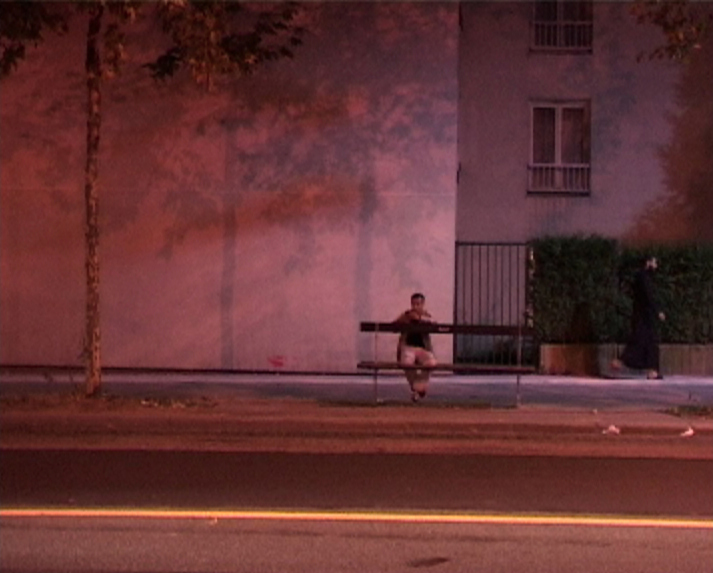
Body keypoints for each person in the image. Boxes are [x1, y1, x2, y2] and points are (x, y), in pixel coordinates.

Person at [612, 256, 666, 379]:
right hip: (644, 317)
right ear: (648, 263)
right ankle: (649, 369)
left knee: (644, 342)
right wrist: (658, 311)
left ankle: (650, 370)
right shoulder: (643, 277)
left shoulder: (643, 277)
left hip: (643, 316)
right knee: (646, 341)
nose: (656, 266)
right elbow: (649, 296)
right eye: (654, 262)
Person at [395, 292, 437, 402]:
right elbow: (394, 325)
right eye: (413, 304)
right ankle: (418, 387)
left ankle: (418, 386)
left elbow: (435, 324)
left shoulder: (427, 316)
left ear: (423, 304)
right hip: (408, 347)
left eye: (418, 304)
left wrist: (420, 319)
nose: (415, 307)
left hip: (423, 348)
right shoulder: (406, 315)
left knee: (432, 362)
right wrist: (406, 318)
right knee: (407, 363)